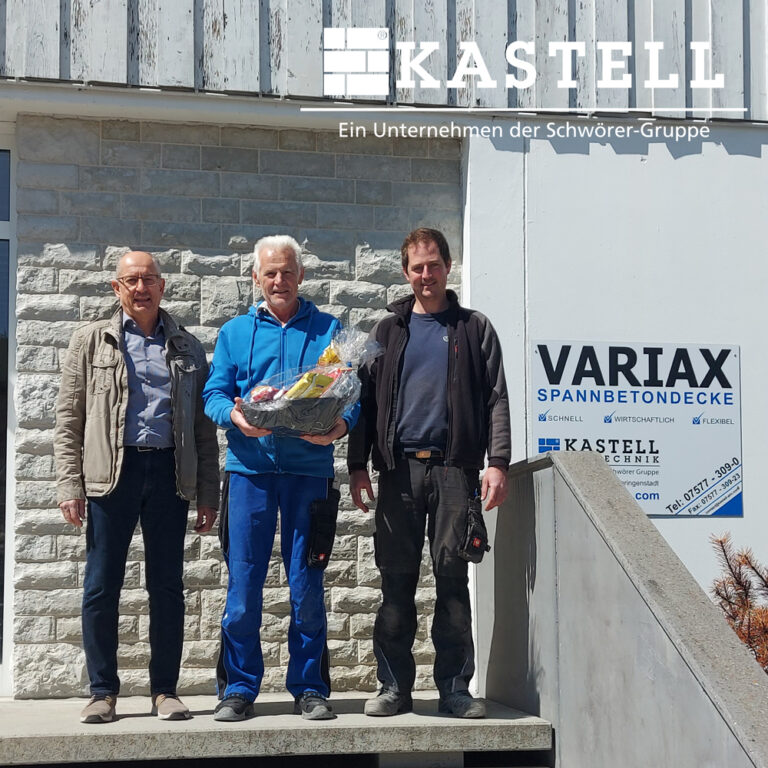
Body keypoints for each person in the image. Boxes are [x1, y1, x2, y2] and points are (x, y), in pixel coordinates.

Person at [348, 227, 511, 719]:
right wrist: (357, 466)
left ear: (448, 267)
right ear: (406, 272)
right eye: (417, 267)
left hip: (454, 472)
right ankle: (393, 687)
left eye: (434, 265)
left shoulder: (473, 328)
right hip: (398, 473)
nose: (426, 275)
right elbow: (363, 401)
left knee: (452, 582)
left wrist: (497, 462)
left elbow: (496, 399)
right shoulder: (386, 332)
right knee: (395, 584)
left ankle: (455, 689)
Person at [54, 251, 220, 724]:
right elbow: (69, 418)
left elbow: (203, 428)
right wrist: (69, 483)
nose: (140, 288)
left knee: (167, 587)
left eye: (149, 279)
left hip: (169, 473)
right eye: (131, 280)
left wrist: (208, 493)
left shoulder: (187, 346)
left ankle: (164, 691)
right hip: (112, 475)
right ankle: (102, 692)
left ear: (162, 286)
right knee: (101, 586)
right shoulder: (91, 341)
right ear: (116, 287)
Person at [203, 235, 356, 722]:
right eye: (269, 272)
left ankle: (309, 687)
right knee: (243, 586)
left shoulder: (329, 330)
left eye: (287, 271)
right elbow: (213, 395)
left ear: (301, 275)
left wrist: (340, 426)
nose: (279, 280)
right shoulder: (234, 332)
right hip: (248, 474)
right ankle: (238, 688)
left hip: (309, 475)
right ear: (256, 277)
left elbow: (353, 394)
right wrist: (234, 416)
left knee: (306, 584)